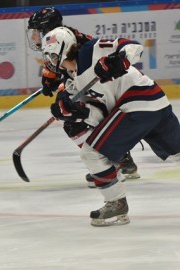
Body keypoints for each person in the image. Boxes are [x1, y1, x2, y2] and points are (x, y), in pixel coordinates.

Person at [43, 26, 180, 226]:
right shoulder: (71, 81)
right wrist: (75, 112)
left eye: (53, 56)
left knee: (91, 153)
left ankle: (116, 204)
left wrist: (119, 60)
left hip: (137, 103)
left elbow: (132, 46)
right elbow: (98, 112)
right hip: (154, 103)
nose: (51, 62)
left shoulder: (91, 50)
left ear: (64, 49)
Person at [26, 7, 140, 187]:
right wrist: (50, 75)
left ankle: (111, 163)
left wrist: (62, 89)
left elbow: (79, 77)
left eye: (36, 32)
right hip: (100, 92)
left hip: (109, 93)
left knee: (73, 119)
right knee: (71, 117)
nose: (33, 37)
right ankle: (118, 160)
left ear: (47, 30)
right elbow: (64, 70)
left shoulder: (74, 43)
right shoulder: (59, 41)